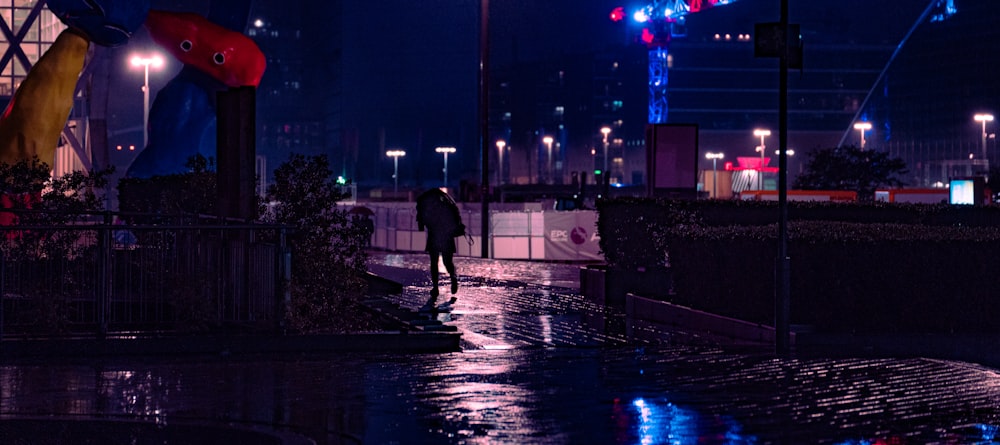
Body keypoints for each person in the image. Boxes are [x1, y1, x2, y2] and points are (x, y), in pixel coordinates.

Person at [415, 188, 463, 311]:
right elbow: (455, 218)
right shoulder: (447, 203)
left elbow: (422, 220)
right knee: (447, 261)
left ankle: (436, 287)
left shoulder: (427, 205)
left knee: (434, 262)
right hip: (446, 236)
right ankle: (453, 277)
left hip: (434, 235)